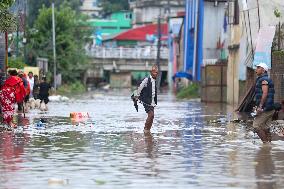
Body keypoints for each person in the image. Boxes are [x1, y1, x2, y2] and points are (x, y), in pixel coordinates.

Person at [253, 63, 275, 143]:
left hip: (266, 109)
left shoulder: (264, 80)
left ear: (263, 70)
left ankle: (265, 145)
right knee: (265, 128)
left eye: (258, 67)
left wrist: (260, 107)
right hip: (270, 108)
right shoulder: (264, 79)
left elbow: (265, 93)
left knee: (256, 126)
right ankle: (269, 148)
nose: (256, 69)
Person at [134, 65, 159, 133]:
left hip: (152, 101)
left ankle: (148, 130)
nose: (155, 74)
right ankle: (145, 129)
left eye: (156, 72)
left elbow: (153, 92)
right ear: (151, 72)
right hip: (146, 101)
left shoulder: (155, 80)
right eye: (154, 72)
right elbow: (140, 87)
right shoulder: (147, 79)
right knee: (151, 115)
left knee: (152, 116)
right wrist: (137, 96)